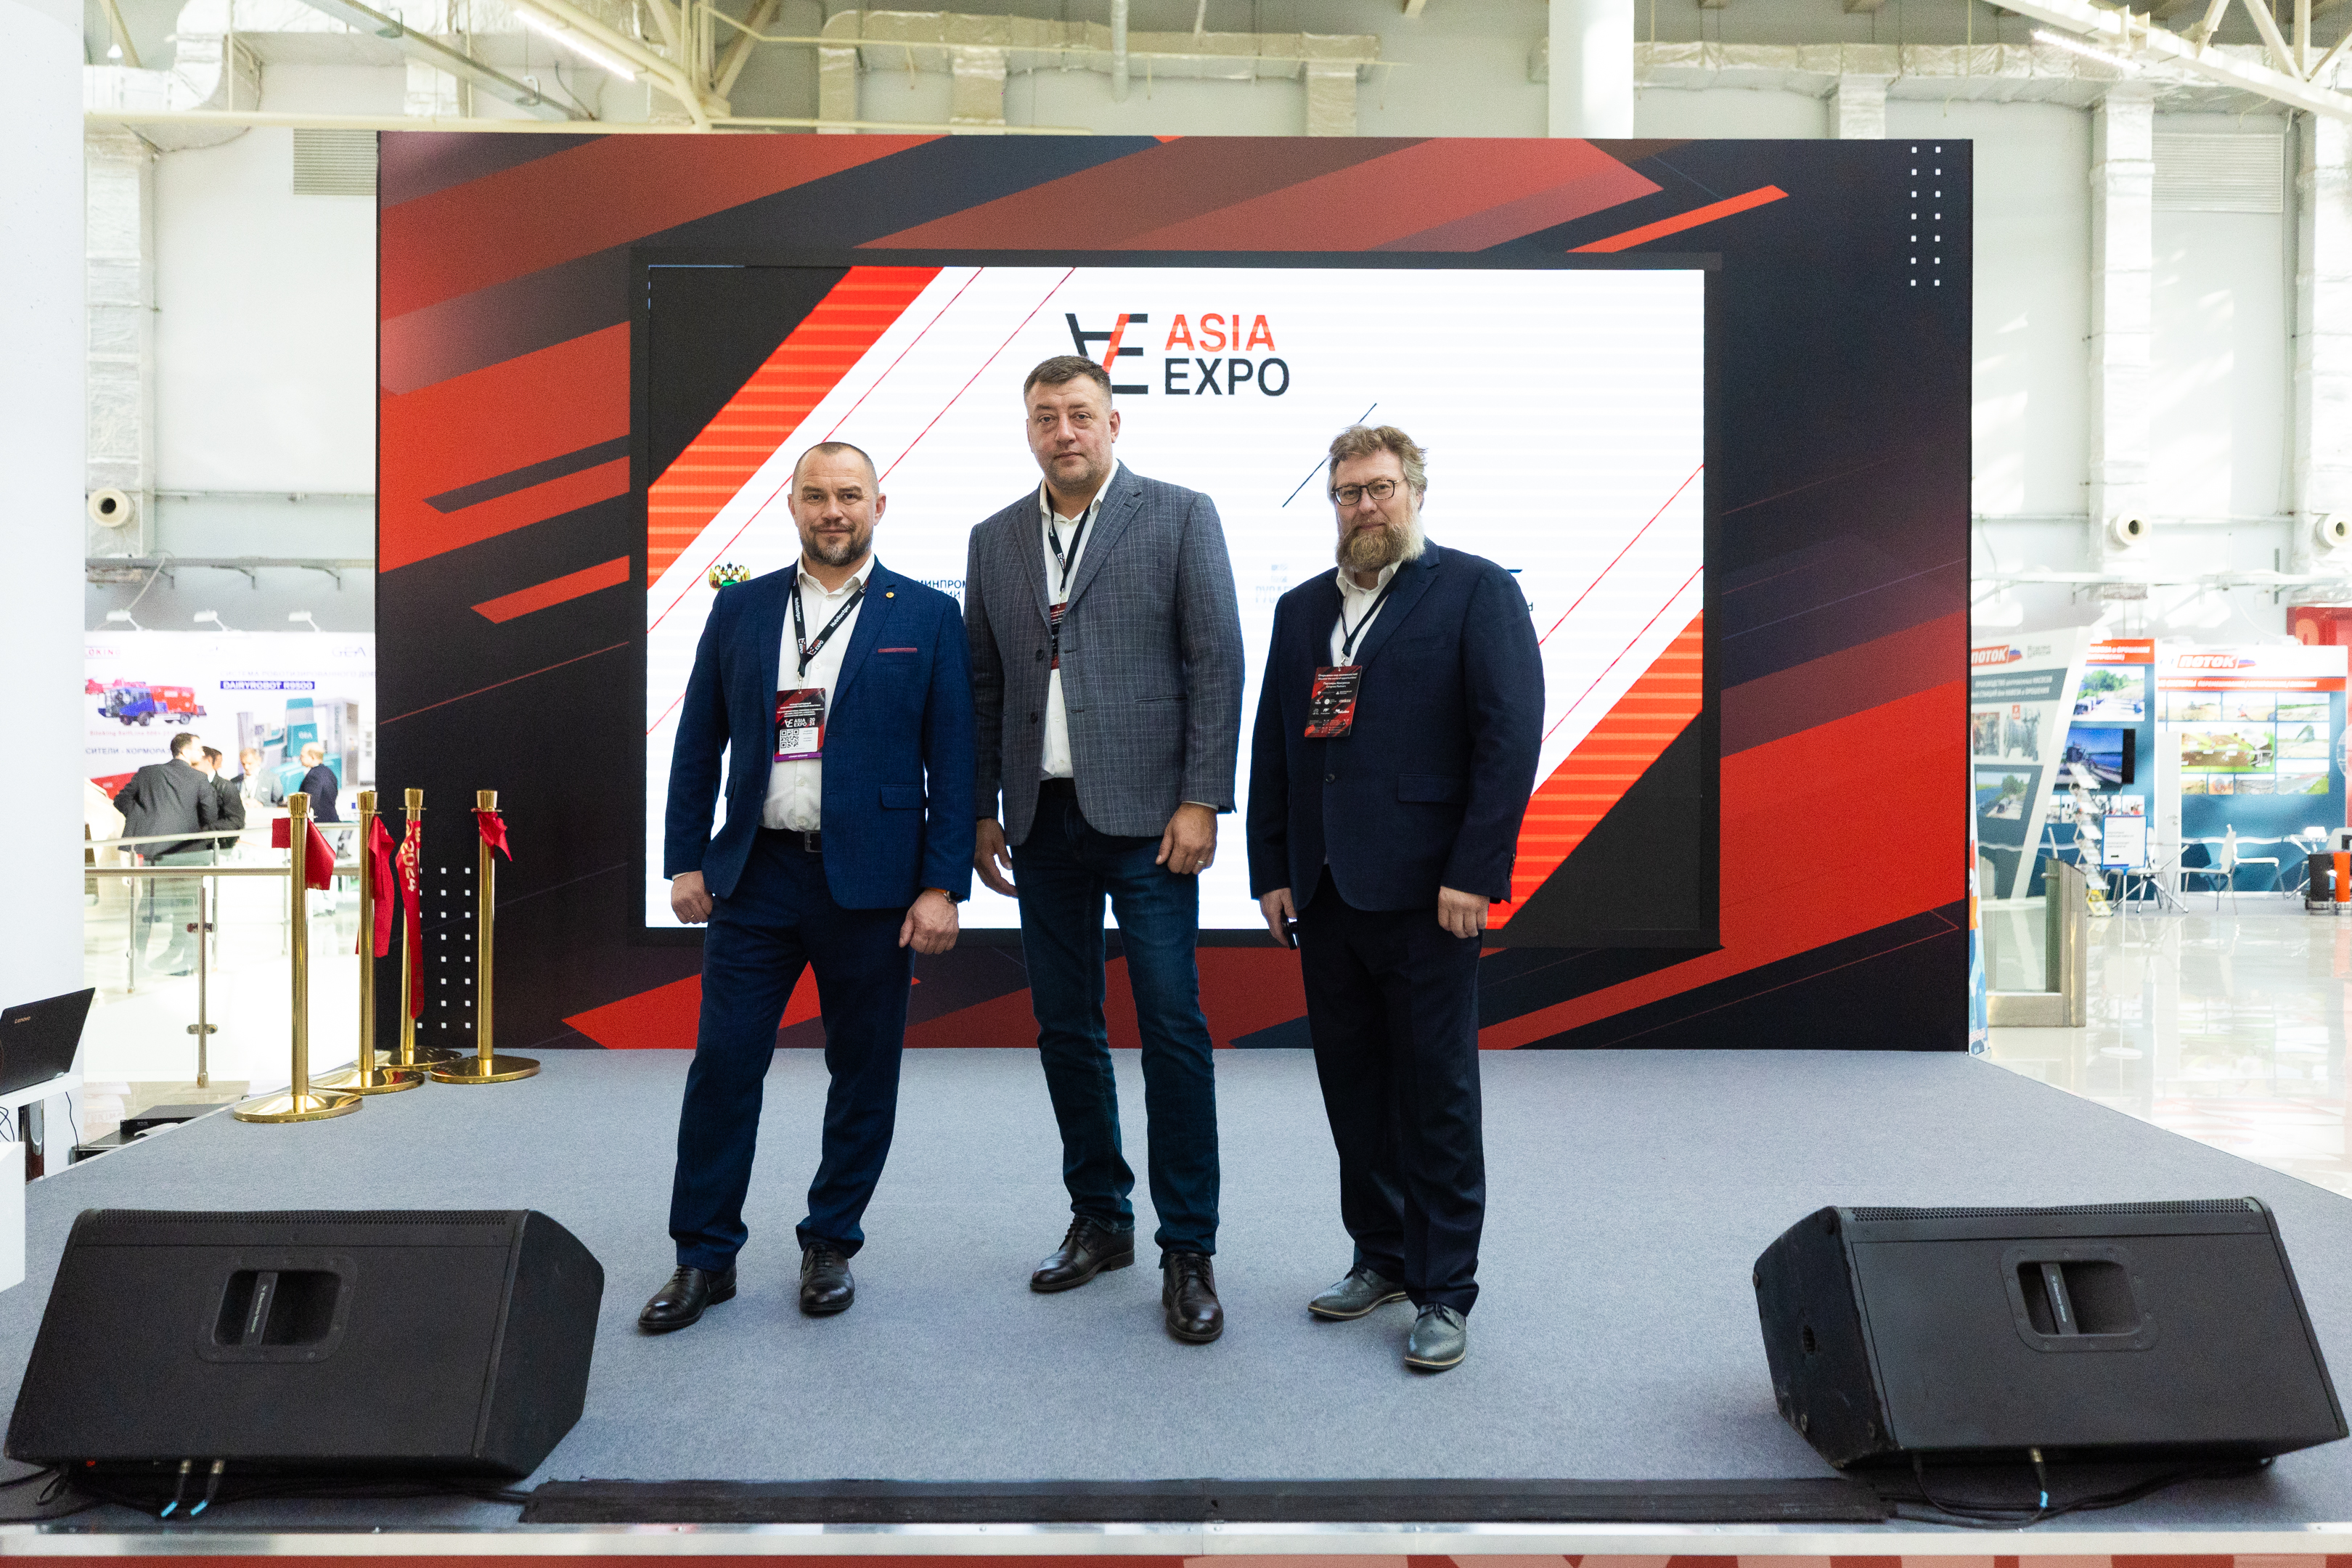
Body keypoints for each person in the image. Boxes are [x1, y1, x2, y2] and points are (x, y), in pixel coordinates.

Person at [642, 441, 974, 1333]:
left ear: (879, 506)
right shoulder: (742, 609)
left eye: (850, 496)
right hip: (756, 877)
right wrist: (684, 860)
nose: (834, 511)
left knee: (862, 1072)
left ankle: (831, 1242)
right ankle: (703, 1257)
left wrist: (942, 885)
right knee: (724, 1067)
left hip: (874, 886)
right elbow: (696, 745)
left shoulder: (929, 615)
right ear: (791, 505)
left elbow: (955, 760)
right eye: (817, 496)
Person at [1246, 425, 1543, 1374]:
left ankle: (1445, 1289)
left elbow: (1509, 738)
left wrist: (1476, 871)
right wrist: (1272, 868)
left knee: (1436, 1097)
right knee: (1355, 1091)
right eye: (1348, 493)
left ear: (1416, 492)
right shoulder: (1301, 611)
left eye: (1381, 488)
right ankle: (1379, 1256)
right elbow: (1275, 748)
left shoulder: (1476, 592)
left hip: (1428, 893)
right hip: (1326, 891)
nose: (1365, 506)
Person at [963, 355, 1244, 1344]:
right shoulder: (995, 538)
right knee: (1065, 1026)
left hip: (1151, 820)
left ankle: (1188, 1247)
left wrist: (1203, 796)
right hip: (1040, 821)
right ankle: (1102, 1217)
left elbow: (1216, 661)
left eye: (1080, 414)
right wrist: (982, 811)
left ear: (1113, 423)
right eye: (1046, 417)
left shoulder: (1179, 516)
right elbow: (985, 686)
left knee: (1172, 1026)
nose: (1064, 431)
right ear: (1029, 430)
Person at [113, 732, 220, 976]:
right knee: (190, 909)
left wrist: (145, 818)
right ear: (185, 751)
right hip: (188, 855)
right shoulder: (199, 778)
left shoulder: (148, 773)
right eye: (199, 749)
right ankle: (192, 961)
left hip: (156, 855)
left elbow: (120, 801)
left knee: (148, 910)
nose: (203, 753)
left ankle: (137, 960)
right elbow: (210, 815)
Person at [200, 746, 247, 853]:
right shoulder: (190, 785)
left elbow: (236, 821)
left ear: (208, 761)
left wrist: (204, 829)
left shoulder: (226, 787)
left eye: (195, 763)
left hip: (218, 848)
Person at [296, 743, 341, 823]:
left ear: (312, 758)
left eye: (302, 756)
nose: (300, 758)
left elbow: (310, 802)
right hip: (332, 820)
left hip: (320, 823)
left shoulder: (313, 776)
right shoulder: (329, 772)